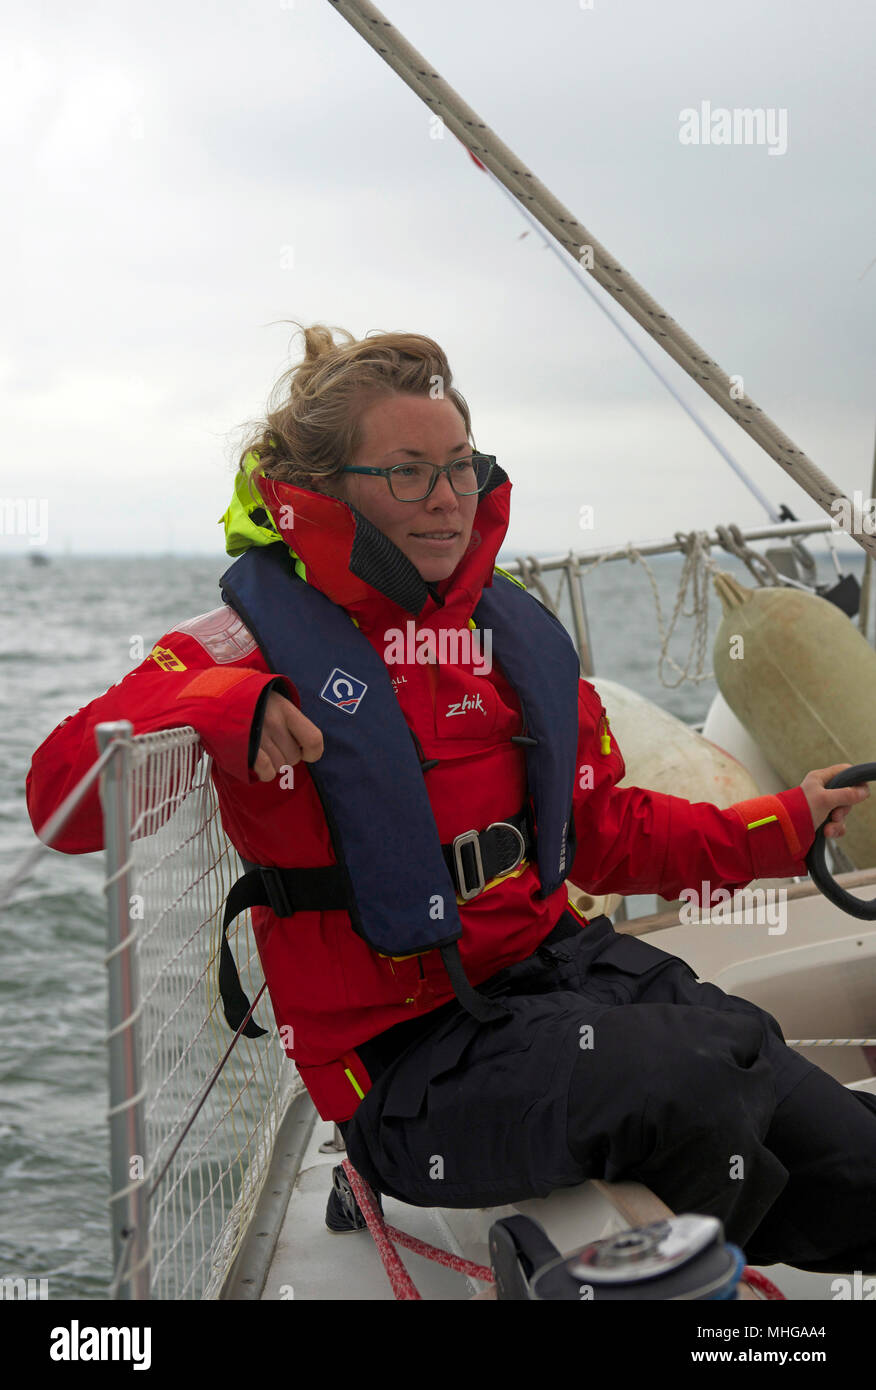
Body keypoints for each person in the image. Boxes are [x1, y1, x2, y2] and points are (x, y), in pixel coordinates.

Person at [26, 323, 875, 1273]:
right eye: (407, 472)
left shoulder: (511, 639)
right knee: (682, 1089)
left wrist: (788, 823)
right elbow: (59, 796)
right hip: (405, 1064)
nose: (444, 500)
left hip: (566, 980)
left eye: (460, 469)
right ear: (325, 490)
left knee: (825, 1132)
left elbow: (605, 838)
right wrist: (227, 709)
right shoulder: (241, 647)